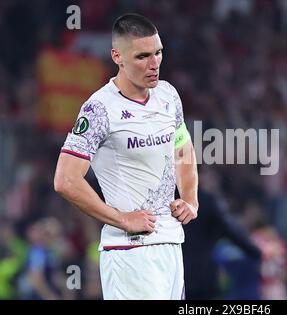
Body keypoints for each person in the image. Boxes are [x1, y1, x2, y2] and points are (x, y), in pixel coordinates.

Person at [54, 13, 198, 300]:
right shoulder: (99, 109)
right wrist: (121, 219)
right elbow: (65, 180)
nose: (154, 63)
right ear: (117, 56)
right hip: (129, 252)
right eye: (143, 56)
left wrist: (191, 199)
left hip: (170, 243)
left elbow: (182, 148)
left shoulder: (168, 95)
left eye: (158, 53)